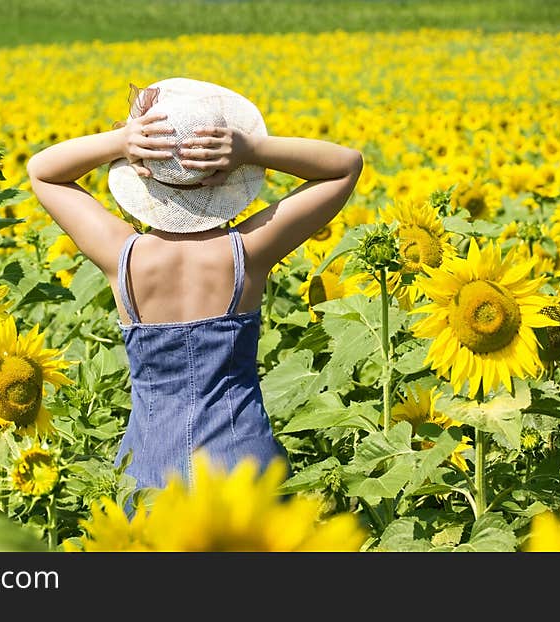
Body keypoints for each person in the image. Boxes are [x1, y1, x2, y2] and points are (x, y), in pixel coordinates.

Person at [27, 77, 363, 513]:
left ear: (141, 174)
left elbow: (43, 172)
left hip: (149, 466)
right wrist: (251, 149)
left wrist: (121, 140)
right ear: (226, 175)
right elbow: (345, 165)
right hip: (243, 461)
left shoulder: (122, 256)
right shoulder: (248, 252)